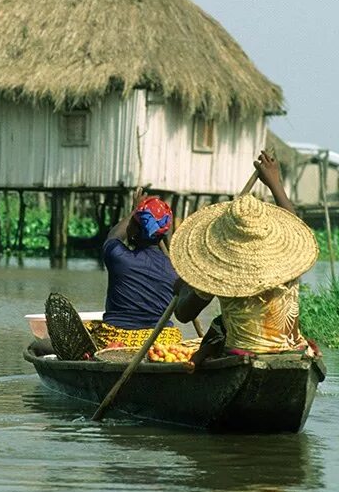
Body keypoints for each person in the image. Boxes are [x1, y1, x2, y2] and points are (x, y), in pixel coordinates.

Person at [173, 151, 319, 360]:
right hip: (293, 351)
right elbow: (295, 223)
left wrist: (182, 289)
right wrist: (275, 184)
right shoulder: (286, 264)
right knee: (220, 325)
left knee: (216, 330)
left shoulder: (219, 269)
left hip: (241, 353)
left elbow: (184, 314)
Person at [85, 195, 182, 349]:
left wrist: (135, 210)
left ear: (134, 228)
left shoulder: (118, 257)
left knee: (40, 346)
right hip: (160, 344)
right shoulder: (176, 270)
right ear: (163, 234)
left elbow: (114, 236)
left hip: (118, 341)